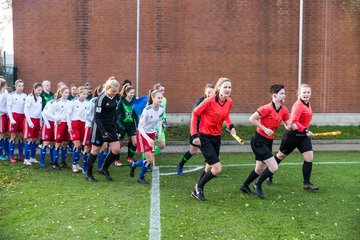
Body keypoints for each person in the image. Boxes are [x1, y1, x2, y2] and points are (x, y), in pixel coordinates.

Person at [240, 84, 290, 199]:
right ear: (274, 95)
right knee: (274, 167)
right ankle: (257, 184)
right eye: (282, 93)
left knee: (259, 168)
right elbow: (252, 119)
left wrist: (300, 129)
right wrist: (265, 128)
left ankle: (245, 185)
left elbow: (288, 125)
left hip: (268, 141)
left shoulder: (284, 110)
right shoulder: (266, 108)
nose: (284, 95)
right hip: (258, 140)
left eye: (284, 93)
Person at [190, 77, 236, 201]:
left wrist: (231, 126)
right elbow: (195, 114)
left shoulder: (229, 101)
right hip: (204, 137)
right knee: (217, 168)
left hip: (216, 137)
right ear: (218, 88)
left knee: (209, 167)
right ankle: (198, 187)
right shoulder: (209, 101)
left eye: (229, 87)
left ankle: (196, 190)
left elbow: (226, 115)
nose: (227, 90)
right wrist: (194, 135)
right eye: (225, 87)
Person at [274, 83, 319, 191]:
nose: (306, 94)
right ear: (298, 93)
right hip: (293, 136)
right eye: (304, 92)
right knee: (280, 156)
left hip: (303, 136)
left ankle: (307, 183)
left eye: (308, 92)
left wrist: (305, 131)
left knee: (309, 158)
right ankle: (269, 173)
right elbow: (293, 122)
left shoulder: (307, 103)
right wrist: (305, 130)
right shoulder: (298, 105)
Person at [85, 77, 121, 182]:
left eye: (116, 91)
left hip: (111, 127)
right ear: (108, 88)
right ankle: (89, 174)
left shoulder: (116, 96)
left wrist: (116, 123)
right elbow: (96, 117)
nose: (115, 93)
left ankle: (104, 168)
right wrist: (103, 132)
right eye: (113, 91)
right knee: (95, 151)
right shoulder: (101, 98)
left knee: (116, 149)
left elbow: (114, 111)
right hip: (99, 127)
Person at [177, 84, 215, 175]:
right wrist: (195, 134)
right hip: (197, 131)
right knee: (192, 151)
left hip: (209, 131)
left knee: (211, 150)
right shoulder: (201, 102)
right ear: (205, 93)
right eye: (209, 92)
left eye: (212, 92)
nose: (210, 94)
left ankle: (209, 170)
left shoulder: (215, 102)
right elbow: (193, 117)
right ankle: (180, 165)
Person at [130, 89, 165, 184]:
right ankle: (135, 168)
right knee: (149, 159)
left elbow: (159, 120)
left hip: (152, 134)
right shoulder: (147, 110)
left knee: (149, 159)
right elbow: (140, 127)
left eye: (161, 98)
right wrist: (148, 139)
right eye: (158, 98)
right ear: (153, 98)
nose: (160, 100)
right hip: (143, 134)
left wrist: (159, 132)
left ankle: (138, 172)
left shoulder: (161, 108)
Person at [46, 86, 72, 169]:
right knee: (58, 143)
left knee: (65, 144)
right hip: (59, 125)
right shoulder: (57, 102)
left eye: (68, 93)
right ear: (61, 93)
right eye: (65, 93)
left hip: (67, 124)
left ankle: (63, 162)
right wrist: (56, 119)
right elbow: (47, 112)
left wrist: (69, 124)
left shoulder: (70, 102)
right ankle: (55, 162)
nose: (67, 94)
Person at [115, 85, 138, 166]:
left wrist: (137, 124)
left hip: (131, 125)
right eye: (131, 93)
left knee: (135, 143)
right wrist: (120, 125)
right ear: (126, 93)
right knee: (119, 144)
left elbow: (135, 115)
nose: (132, 94)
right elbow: (116, 115)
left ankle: (130, 157)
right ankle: (116, 160)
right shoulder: (121, 102)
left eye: (133, 93)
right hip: (122, 125)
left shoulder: (133, 102)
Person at [67, 86, 88, 173]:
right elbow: (68, 114)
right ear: (79, 93)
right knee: (77, 145)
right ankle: (74, 164)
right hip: (75, 124)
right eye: (84, 94)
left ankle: (78, 164)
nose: (85, 95)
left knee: (83, 146)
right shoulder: (73, 102)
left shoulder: (87, 103)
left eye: (87, 94)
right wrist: (69, 126)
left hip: (83, 125)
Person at [7, 79, 27, 163]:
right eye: (19, 86)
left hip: (22, 116)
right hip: (14, 116)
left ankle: (20, 155)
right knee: (13, 136)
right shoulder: (11, 95)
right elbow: (9, 107)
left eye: (22, 86)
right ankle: (11, 156)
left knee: (21, 136)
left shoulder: (25, 96)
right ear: (15, 86)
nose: (21, 88)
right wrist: (11, 118)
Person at [23, 83, 43, 166]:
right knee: (30, 140)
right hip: (30, 120)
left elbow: (40, 111)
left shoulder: (40, 98)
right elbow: (25, 110)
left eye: (41, 90)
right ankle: (26, 159)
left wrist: (40, 122)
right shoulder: (30, 97)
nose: (40, 92)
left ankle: (32, 157)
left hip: (37, 120)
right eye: (38, 90)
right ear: (34, 89)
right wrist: (29, 121)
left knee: (35, 139)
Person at [0, 77, 9, 161]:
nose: (7, 85)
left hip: (5, 115)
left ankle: (5, 151)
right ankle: (0, 153)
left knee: (5, 133)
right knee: (1, 134)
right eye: (5, 84)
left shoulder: (5, 92)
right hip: (1, 115)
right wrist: (7, 111)